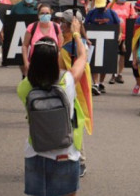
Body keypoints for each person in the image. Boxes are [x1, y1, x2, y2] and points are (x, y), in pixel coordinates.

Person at [17, 33, 87, 196]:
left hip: (35, 151)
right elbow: (83, 56)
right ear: (56, 58)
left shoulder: (23, 88)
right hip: (66, 152)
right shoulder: (67, 80)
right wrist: (76, 35)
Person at [56, 11, 91, 179]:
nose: (60, 24)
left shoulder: (76, 45)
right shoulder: (68, 42)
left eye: (64, 22)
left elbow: (79, 67)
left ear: (72, 25)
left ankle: (81, 161)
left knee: (75, 127)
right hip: (62, 90)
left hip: (72, 93)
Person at [84, 0, 121, 95]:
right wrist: (85, 38)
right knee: (94, 63)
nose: (100, 9)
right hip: (94, 41)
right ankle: (95, 84)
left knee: (105, 63)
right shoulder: (91, 13)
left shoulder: (112, 13)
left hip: (108, 41)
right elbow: (85, 26)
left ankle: (101, 83)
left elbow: (118, 24)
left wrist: (120, 34)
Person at [22, 4, 63, 78]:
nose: (45, 15)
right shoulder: (31, 27)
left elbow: (60, 46)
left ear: (51, 14)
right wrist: (26, 62)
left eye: (47, 13)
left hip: (52, 65)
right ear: (38, 15)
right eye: (42, 13)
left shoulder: (57, 27)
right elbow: (25, 45)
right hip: (35, 64)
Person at [109, 0, 136, 85]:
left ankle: (120, 74)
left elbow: (133, 16)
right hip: (114, 34)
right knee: (113, 55)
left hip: (125, 34)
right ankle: (113, 74)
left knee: (123, 54)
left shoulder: (129, 5)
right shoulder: (111, 5)